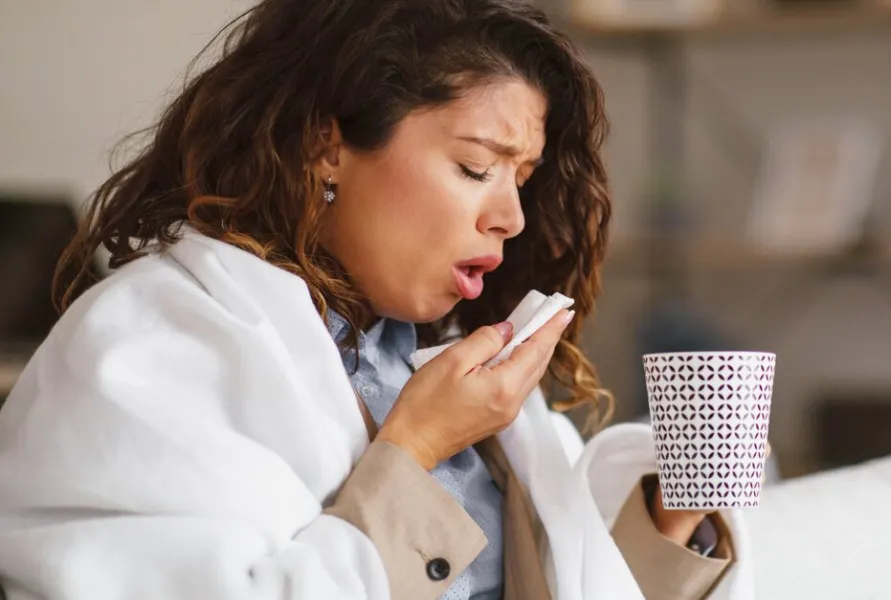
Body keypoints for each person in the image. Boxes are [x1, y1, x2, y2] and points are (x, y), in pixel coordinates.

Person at [0, 1, 740, 599]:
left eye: (524, 177)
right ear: (328, 147)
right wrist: (414, 450)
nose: (511, 218)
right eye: (476, 166)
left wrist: (676, 511)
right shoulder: (150, 341)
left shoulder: (439, 355)